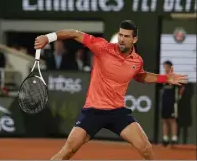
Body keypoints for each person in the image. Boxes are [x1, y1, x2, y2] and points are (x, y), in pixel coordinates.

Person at [34, 20, 188, 160]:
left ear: (134, 40)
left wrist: (165, 78)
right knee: (68, 151)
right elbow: (74, 34)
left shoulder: (137, 60)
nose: (122, 39)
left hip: (117, 112)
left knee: (146, 148)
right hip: (93, 111)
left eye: (126, 36)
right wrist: (49, 37)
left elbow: (140, 76)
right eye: (120, 35)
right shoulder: (102, 47)